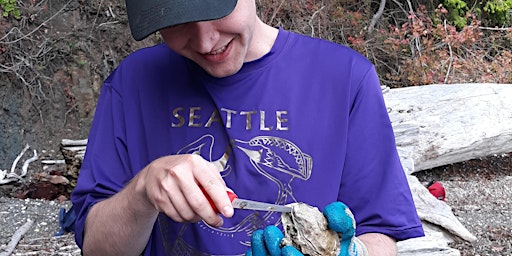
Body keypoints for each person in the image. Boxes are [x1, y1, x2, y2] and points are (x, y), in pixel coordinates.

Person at [71, 0, 425, 255]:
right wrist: (142, 192)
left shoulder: (345, 78)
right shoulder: (132, 83)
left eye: (214, 9)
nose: (207, 41)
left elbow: (380, 231)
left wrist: (350, 252)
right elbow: (97, 247)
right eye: (176, 23)